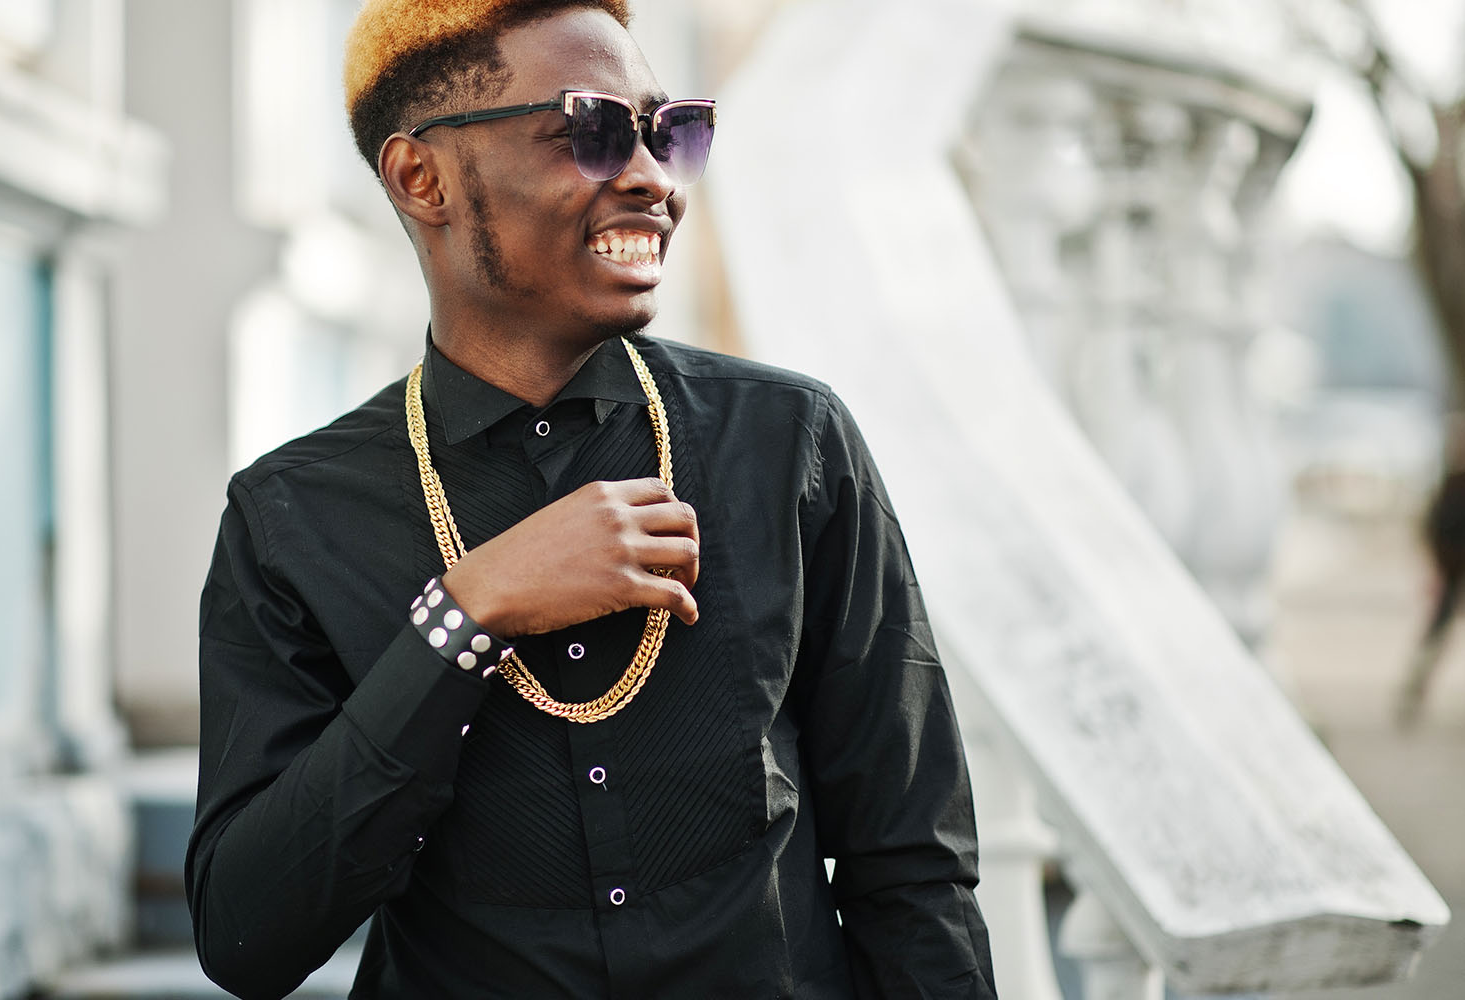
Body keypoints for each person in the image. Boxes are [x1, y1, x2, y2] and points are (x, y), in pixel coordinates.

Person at [184, 2, 996, 996]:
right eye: (593, 131)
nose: (655, 179)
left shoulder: (790, 445)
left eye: (669, 131)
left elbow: (913, 870)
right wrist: (464, 616)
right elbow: (247, 937)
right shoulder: (292, 517)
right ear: (421, 178)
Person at [1398, 416, 1465, 729]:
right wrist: (1435, 570)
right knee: (1436, 634)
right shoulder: (1449, 487)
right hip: (1451, 569)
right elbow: (1430, 529)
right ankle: (1414, 692)